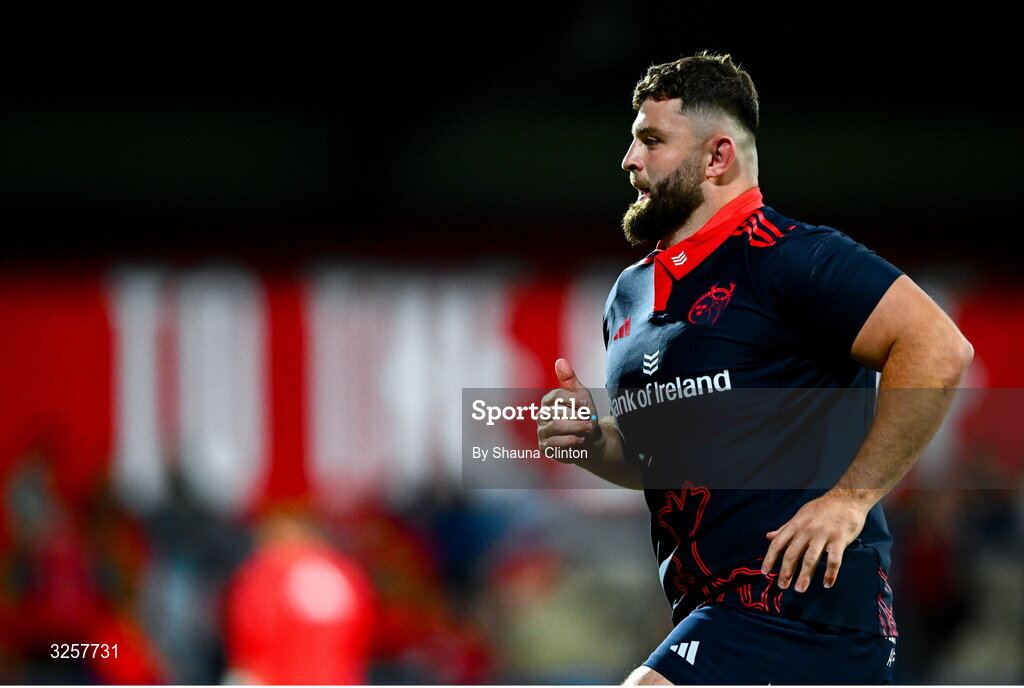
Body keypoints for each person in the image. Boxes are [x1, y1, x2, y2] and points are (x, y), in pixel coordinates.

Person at [536, 52, 973, 685]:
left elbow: (939, 348)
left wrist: (852, 499)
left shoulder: (792, 258)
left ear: (718, 158)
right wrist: (595, 443)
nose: (629, 161)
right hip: (712, 611)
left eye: (651, 141)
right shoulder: (629, 296)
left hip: (803, 609)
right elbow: (661, 462)